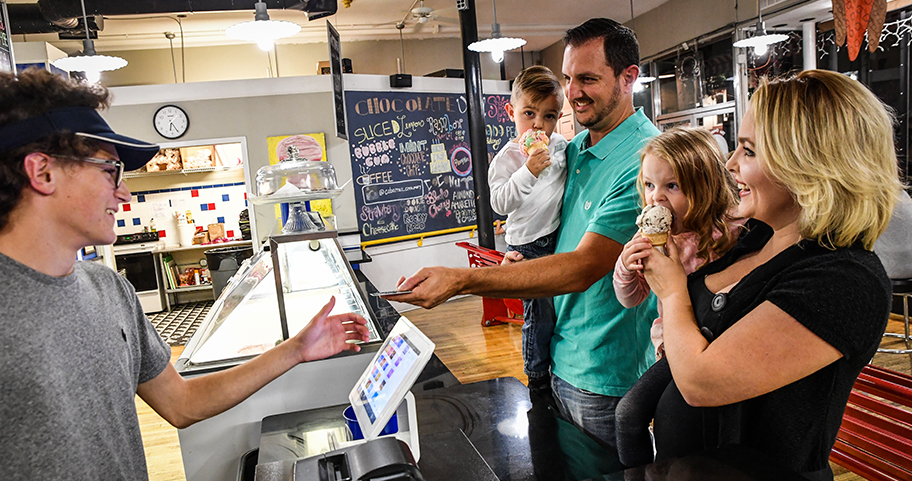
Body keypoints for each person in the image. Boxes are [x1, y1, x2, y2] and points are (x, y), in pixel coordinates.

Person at [0, 69, 371, 480]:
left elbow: (182, 403)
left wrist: (296, 349)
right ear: (42, 172)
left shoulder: (111, 290)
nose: (123, 192)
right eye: (110, 170)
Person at [392, 18, 660, 447]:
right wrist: (514, 258)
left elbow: (583, 267)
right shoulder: (573, 148)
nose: (573, 93)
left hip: (602, 373)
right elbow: (537, 218)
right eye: (569, 78)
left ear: (629, 78)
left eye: (588, 79)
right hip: (560, 355)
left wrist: (464, 279)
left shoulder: (646, 159)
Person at [640, 70, 900, 480]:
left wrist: (671, 293)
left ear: (810, 164)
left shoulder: (844, 278)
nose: (730, 164)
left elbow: (701, 382)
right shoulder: (757, 234)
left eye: (749, 151)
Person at [611, 127, 741, 467]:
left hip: (715, 352)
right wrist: (626, 266)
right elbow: (631, 298)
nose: (656, 198)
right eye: (650, 186)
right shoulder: (651, 239)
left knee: (689, 434)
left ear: (705, 186)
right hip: (671, 349)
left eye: (672, 186)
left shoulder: (728, 234)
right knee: (628, 415)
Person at [487, 65, 569, 396]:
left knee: (560, 308)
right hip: (528, 245)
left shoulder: (561, 146)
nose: (538, 125)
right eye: (529, 113)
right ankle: (536, 374)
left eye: (549, 116)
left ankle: (558, 365)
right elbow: (499, 202)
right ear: (511, 112)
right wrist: (528, 171)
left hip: (559, 238)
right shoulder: (507, 158)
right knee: (538, 312)